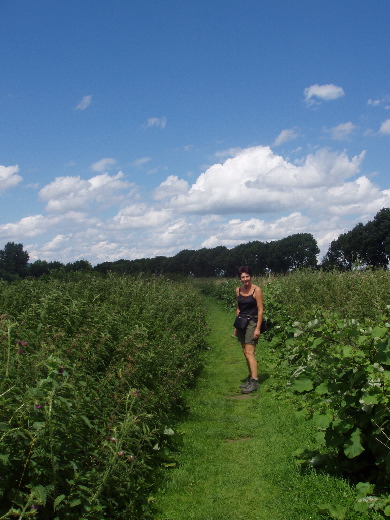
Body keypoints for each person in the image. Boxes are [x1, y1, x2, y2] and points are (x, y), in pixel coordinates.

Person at [233, 266, 264, 393]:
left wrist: (257, 328)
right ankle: (250, 378)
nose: (245, 279)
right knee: (245, 352)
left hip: (252, 322)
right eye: (242, 277)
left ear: (250, 277)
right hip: (242, 322)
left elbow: (261, 310)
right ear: (240, 278)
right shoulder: (238, 290)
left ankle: (255, 381)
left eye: (247, 276)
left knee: (250, 352)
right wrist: (237, 326)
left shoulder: (257, 290)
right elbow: (238, 308)